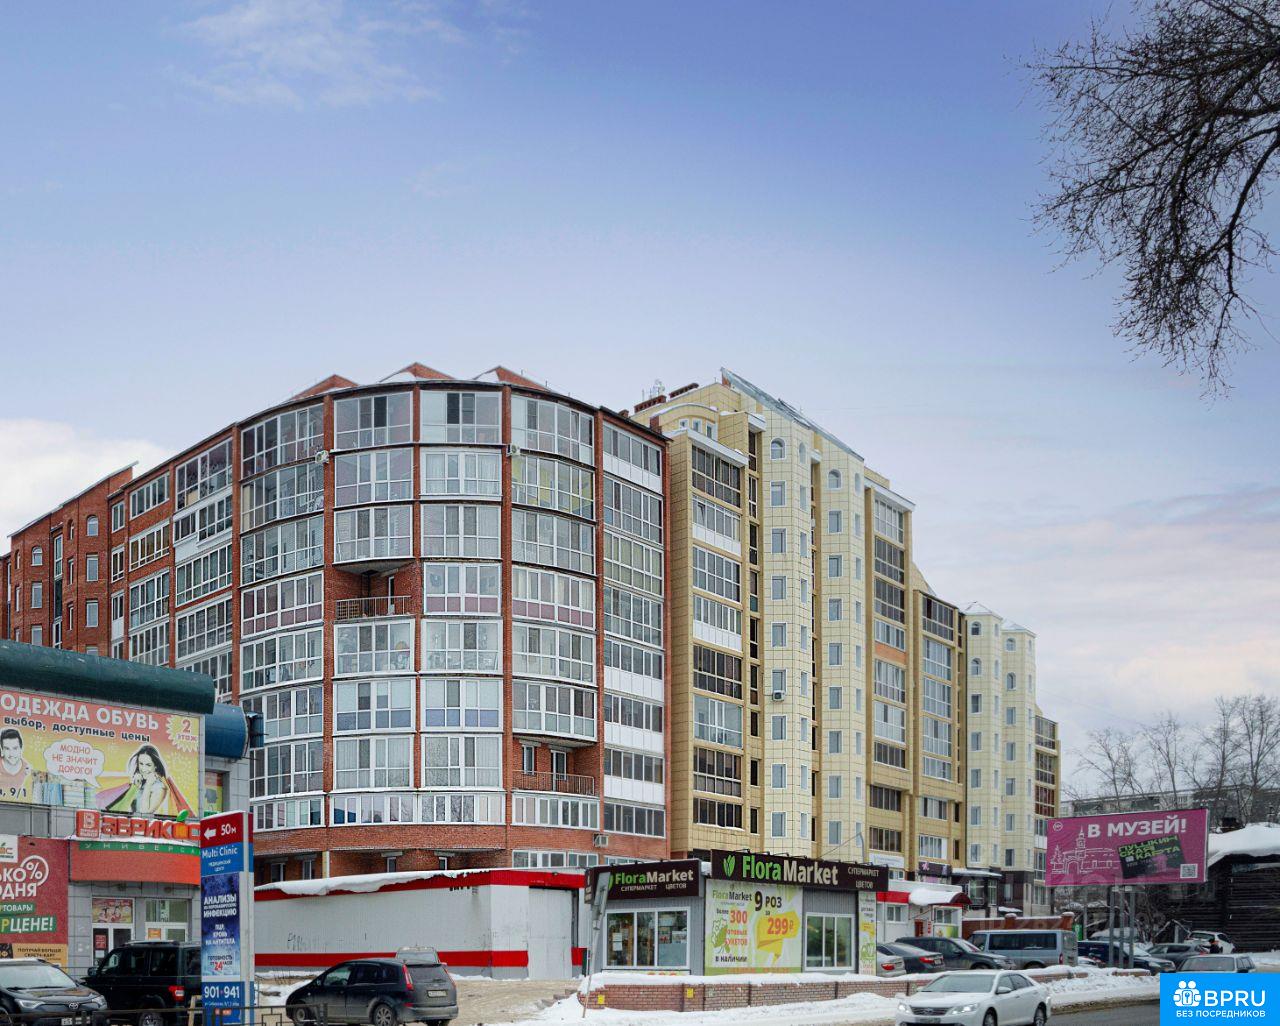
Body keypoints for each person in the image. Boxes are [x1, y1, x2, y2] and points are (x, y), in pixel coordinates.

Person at [0, 728, 35, 800]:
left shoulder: (28, 770)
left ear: (21, 749)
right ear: (2, 750)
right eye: (7, 749)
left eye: (15, 748)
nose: (11, 754)